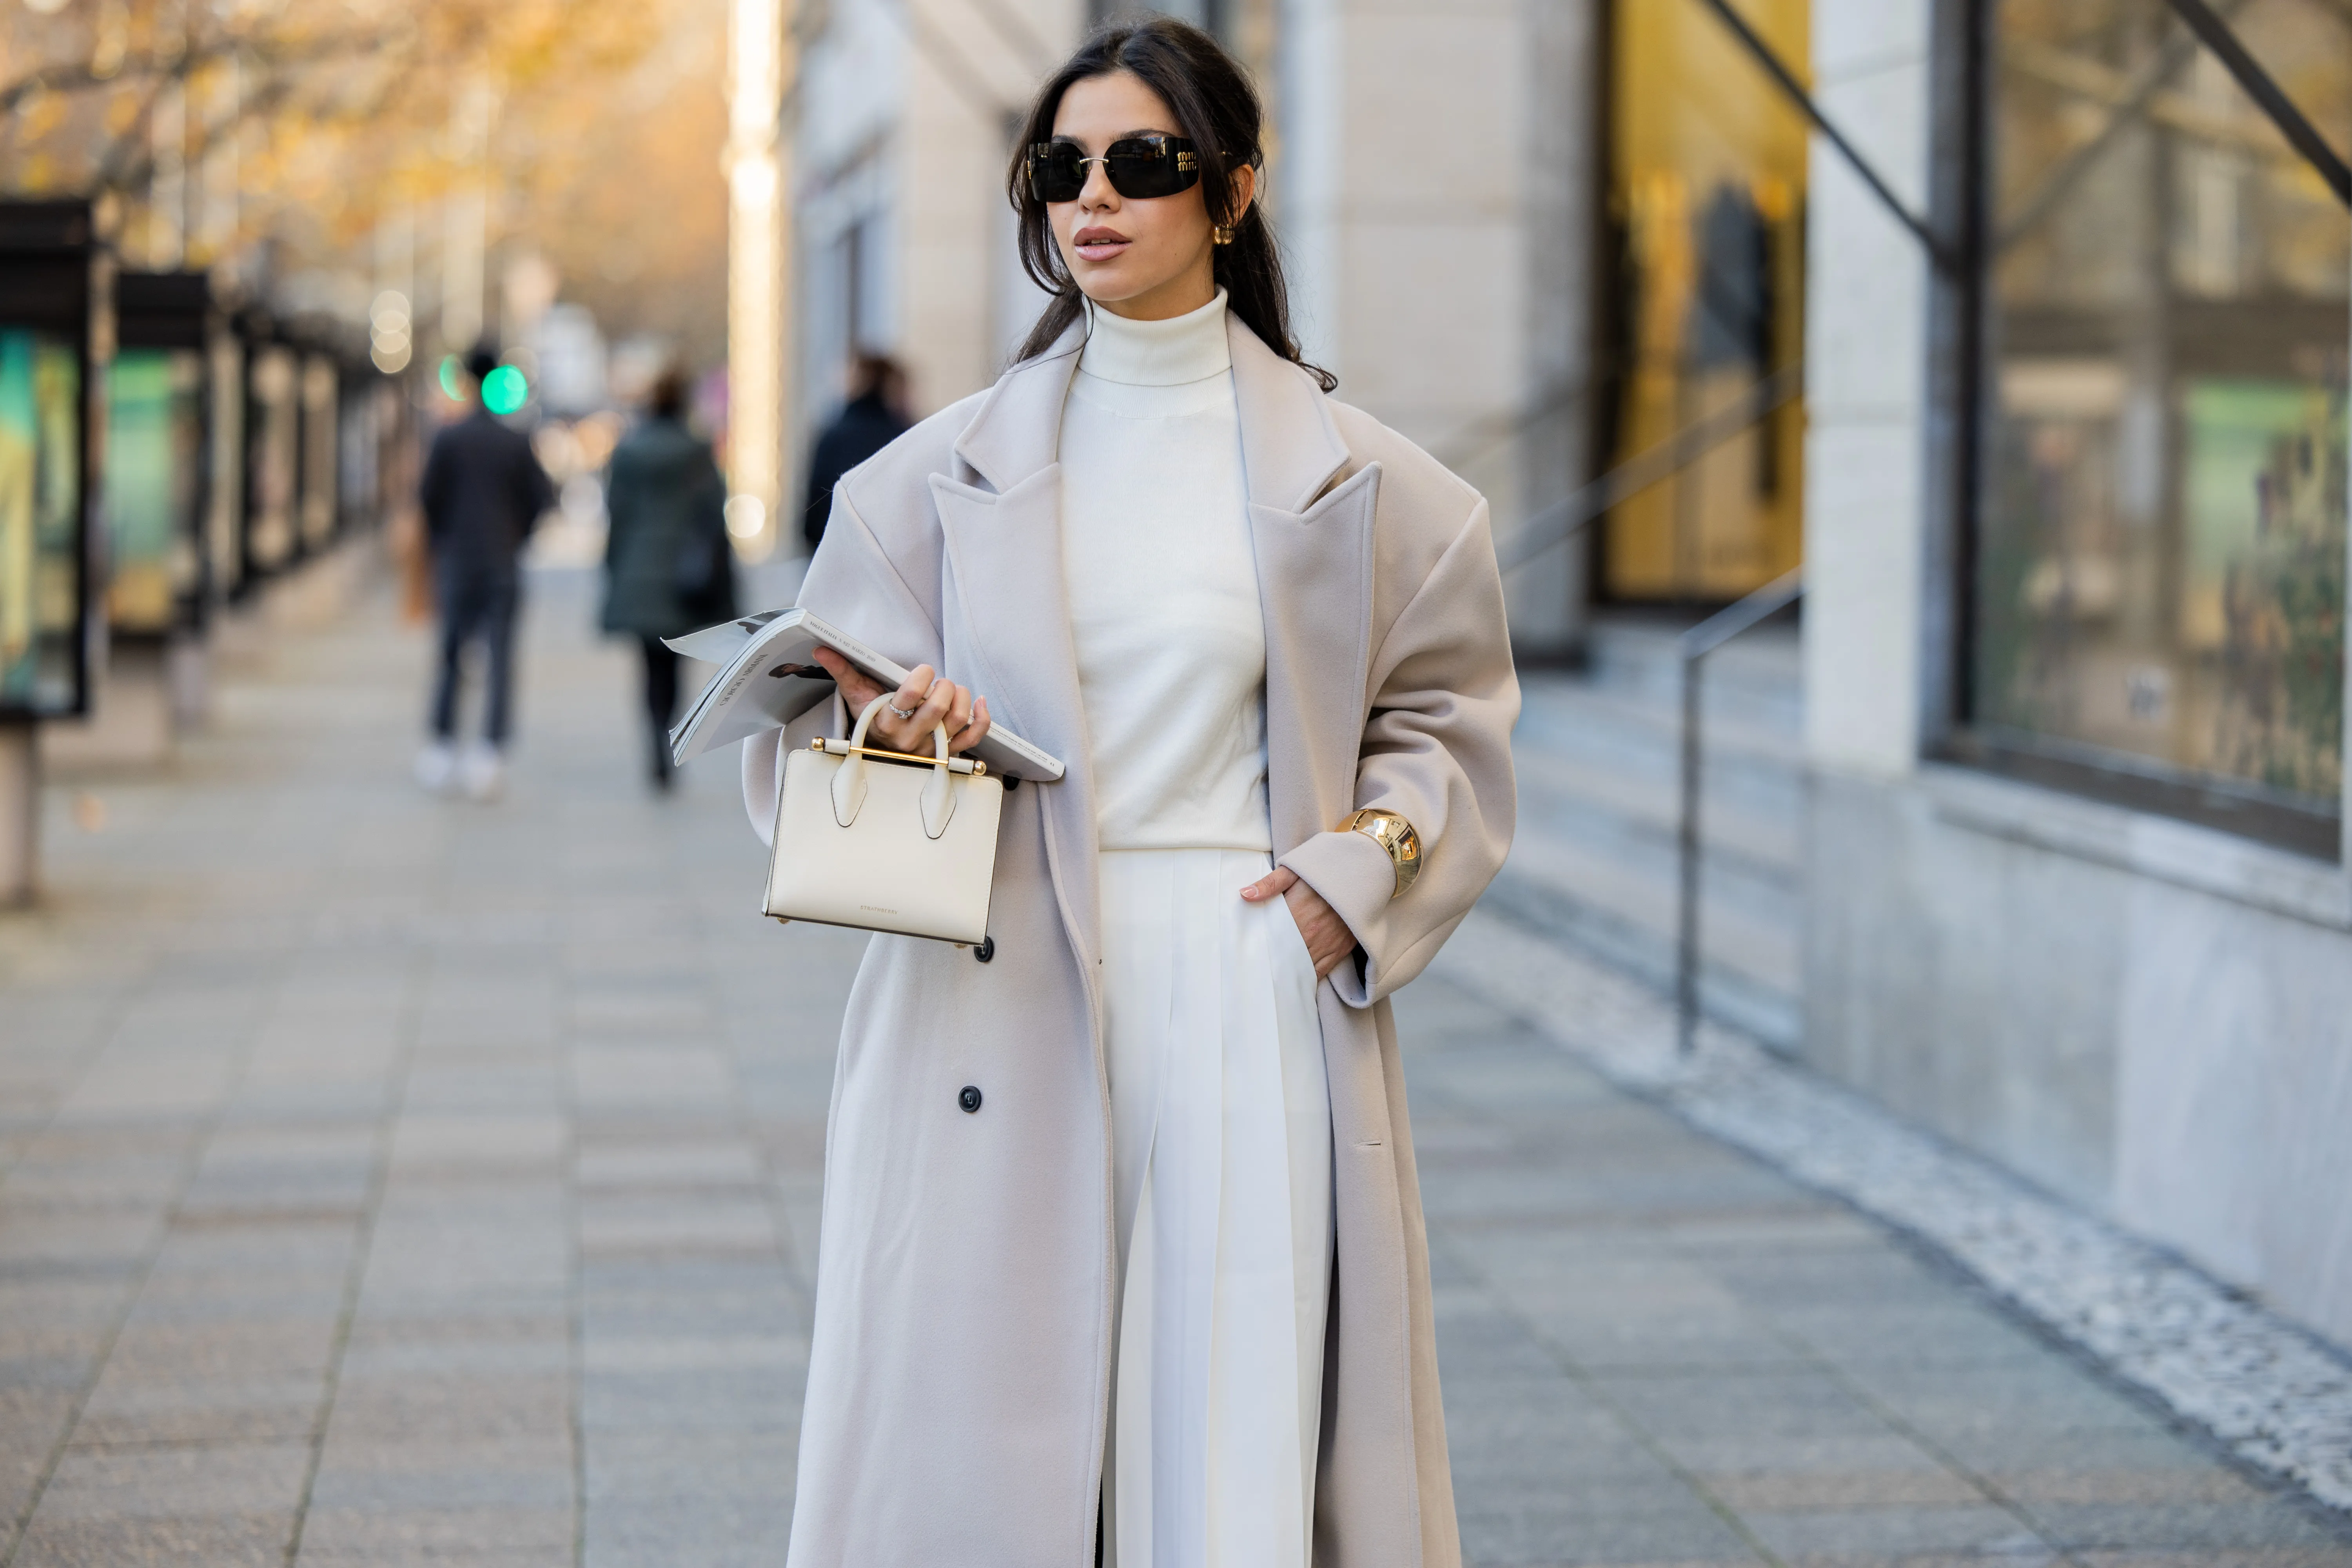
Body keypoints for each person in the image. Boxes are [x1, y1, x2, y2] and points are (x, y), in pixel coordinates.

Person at [742, 18, 1517, 1566]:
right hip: (997, 986)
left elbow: (1451, 722)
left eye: (1144, 163)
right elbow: (808, 747)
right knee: (986, 1450)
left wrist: (1348, 879)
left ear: (1231, 195)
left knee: (1228, 1438)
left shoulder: (1372, 483)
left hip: (1245, 982)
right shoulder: (922, 481)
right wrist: (909, 733)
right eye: (1060, 168)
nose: (1093, 198)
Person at [415, 345, 554, 801]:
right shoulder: (514, 439)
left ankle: (442, 743)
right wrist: (518, 536)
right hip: (502, 561)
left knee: (451, 653)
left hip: (458, 561)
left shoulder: (448, 438)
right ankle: (490, 751)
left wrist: (444, 542)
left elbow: (428, 500)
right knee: (500, 658)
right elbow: (541, 499)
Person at [601, 367, 734, 789]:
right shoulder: (697, 452)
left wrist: (613, 568)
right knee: (674, 665)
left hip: (640, 574)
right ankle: (672, 735)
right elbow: (714, 514)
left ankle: (656, 738)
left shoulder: (628, 452)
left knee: (648, 667)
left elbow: (616, 515)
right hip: (683, 576)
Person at [799, 352, 910, 555]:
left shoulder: (833, 435)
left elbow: (814, 508)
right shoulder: (905, 436)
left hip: (835, 553)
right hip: (893, 561)